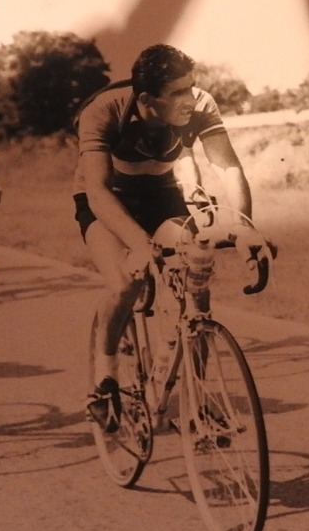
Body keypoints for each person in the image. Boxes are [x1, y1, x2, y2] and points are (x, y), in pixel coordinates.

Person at [74, 43, 251, 433]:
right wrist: (141, 245)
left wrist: (244, 226)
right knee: (124, 281)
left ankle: (198, 398)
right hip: (109, 200)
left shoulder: (201, 105)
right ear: (147, 100)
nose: (191, 98)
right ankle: (105, 380)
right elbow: (99, 192)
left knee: (196, 283)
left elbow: (227, 166)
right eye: (178, 92)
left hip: (161, 194)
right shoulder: (104, 110)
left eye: (192, 86)